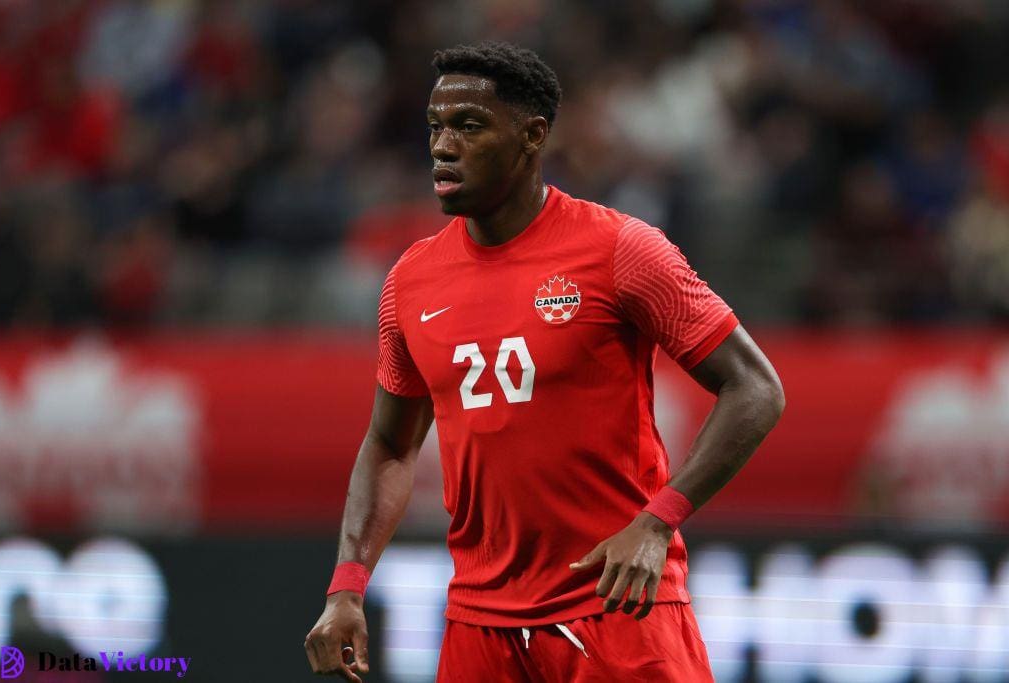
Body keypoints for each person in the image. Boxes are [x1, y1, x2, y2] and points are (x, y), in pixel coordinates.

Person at [304, 41, 784, 682]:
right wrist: (347, 585)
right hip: (479, 624)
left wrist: (657, 522)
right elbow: (390, 446)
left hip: (615, 607)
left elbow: (755, 388)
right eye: (435, 128)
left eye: (469, 127)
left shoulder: (621, 250)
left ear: (532, 136)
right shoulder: (410, 282)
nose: (443, 146)